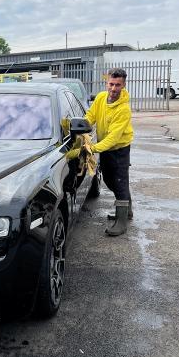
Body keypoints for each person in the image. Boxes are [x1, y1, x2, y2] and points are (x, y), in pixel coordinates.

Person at [65, 68, 134, 236]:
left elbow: (114, 138)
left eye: (118, 85)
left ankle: (122, 221)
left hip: (119, 149)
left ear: (123, 85)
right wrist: (81, 125)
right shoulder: (102, 98)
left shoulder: (123, 109)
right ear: (106, 83)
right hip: (105, 147)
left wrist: (91, 148)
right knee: (110, 180)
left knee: (119, 181)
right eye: (111, 84)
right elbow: (91, 116)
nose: (113, 88)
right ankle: (128, 210)